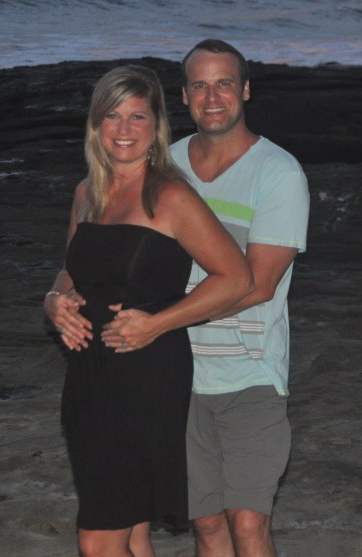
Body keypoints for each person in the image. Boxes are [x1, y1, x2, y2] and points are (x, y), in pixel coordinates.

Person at [103, 40, 310, 557]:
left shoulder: (278, 173)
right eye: (199, 85)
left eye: (223, 84)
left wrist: (157, 322)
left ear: (245, 90)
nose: (212, 97)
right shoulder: (164, 166)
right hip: (175, 375)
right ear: (184, 96)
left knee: (248, 524)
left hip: (250, 374)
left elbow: (257, 285)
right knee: (208, 525)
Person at [43, 64, 253, 557]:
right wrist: (53, 300)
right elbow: (71, 270)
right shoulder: (87, 194)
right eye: (112, 116)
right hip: (88, 376)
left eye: (137, 116)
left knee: (98, 541)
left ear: (156, 125)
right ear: (96, 124)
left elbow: (237, 279)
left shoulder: (171, 196)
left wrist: (158, 323)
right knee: (133, 531)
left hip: (145, 377)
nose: (123, 129)